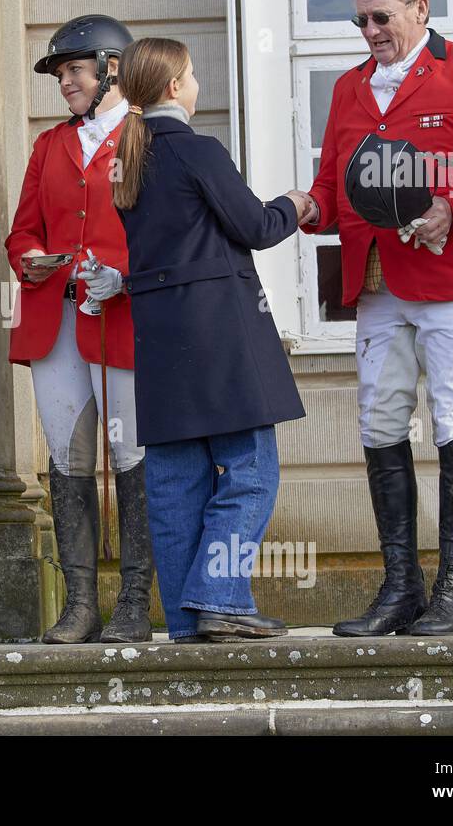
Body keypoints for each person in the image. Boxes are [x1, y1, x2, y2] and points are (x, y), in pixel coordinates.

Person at [301, 0, 453, 637]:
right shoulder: (348, 89)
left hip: (452, 273)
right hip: (375, 280)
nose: (370, 29)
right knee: (379, 420)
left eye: (382, 17)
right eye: (361, 19)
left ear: (420, 9)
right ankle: (401, 587)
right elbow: (330, 186)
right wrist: (298, 207)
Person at [114, 37, 309, 642]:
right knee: (249, 471)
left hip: (160, 338)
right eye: (193, 74)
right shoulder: (198, 150)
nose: (197, 83)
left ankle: (185, 620)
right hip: (221, 332)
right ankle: (221, 598)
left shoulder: (128, 162)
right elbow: (254, 225)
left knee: (175, 485)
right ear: (174, 87)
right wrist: (297, 203)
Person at [4, 14, 154, 644]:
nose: (64, 82)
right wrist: (30, 257)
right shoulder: (49, 147)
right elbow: (19, 231)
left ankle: (136, 603)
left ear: (111, 70)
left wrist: (122, 274)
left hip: (122, 316)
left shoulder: (147, 140)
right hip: (56, 316)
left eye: (74, 71)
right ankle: (81, 604)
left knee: (130, 455)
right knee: (67, 459)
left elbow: (166, 234)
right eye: (60, 73)